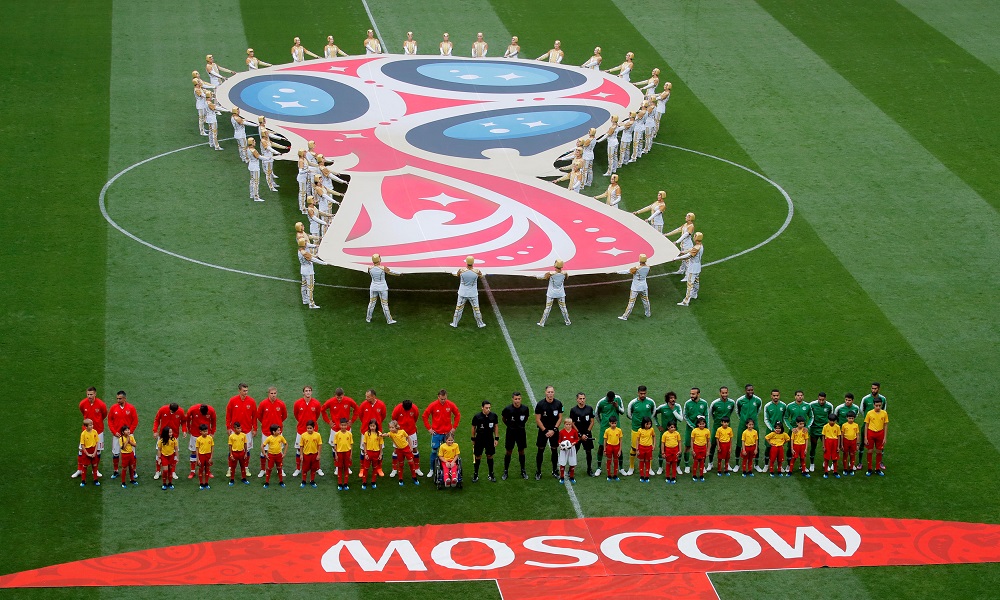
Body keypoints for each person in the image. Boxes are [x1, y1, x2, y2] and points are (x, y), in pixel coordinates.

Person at [423, 389, 461, 477]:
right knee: (434, 451)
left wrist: (454, 427)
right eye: (442, 399)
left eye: (445, 399)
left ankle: (449, 468)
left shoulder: (450, 404)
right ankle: (432, 469)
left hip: (447, 433)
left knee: (449, 451)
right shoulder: (433, 405)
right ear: (438, 397)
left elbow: (457, 414)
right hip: (436, 433)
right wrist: (429, 429)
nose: (443, 401)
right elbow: (425, 416)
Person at [322, 388, 358, 474]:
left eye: (340, 397)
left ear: (343, 395)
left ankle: (347, 466)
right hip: (335, 429)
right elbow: (322, 410)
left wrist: (352, 421)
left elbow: (357, 409)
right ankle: (337, 467)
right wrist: (329, 422)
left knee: (347, 448)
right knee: (335, 448)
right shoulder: (330, 401)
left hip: (347, 429)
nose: (339, 399)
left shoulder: (349, 401)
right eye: (337, 397)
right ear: (335, 395)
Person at [255, 387, 287, 478]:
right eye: (272, 393)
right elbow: (259, 416)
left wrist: (278, 426)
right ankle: (262, 469)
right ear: (268, 394)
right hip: (266, 432)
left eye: (275, 393)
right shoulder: (263, 404)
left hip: (278, 433)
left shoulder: (281, 404)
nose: (273, 395)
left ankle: (280, 469)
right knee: (264, 450)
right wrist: (265, 423)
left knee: (279, 451)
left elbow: (284, 416)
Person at [625, 386, 656, 476]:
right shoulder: (633, 403)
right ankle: (631, 467)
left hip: (648, 429)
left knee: (649, 448)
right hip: (636, 428)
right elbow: (629, 414)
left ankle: (649, 468)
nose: (643, 395)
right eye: (641, 393)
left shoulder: (650, 402)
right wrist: (637, 421)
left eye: (644, 393)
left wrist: (647, 423)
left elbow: (653, 412)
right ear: (638, 393)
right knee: (634, 448)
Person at [534, 386, 564, 480]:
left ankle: (555, 470)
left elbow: (560, 418)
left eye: (552, 392)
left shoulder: (558, 403)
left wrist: (554, 429)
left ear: (554, 393)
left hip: (554, 431)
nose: (550, 394)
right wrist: (546, 431)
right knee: (540, 450)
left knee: (554, 449)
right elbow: (538, 419)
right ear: (545, 393)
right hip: (543, 431)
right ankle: (538, 471)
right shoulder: (540, 404)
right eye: (548, 392)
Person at [107, 390, 139, 480]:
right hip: (117, 436)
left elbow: (135, 421)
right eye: (117, 398)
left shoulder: (131, 408)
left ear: (125, 398)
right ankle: (116, 471)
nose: (118, 400)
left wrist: (130, 432)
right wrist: (114, 432)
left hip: (129, 436)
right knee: (116, 453)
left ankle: (134, 471)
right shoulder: (113, 408)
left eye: (120, 398)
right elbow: (110, 421)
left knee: (132, 453)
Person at [292, 386, 323, 477]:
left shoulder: (316, 403)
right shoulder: (297, 403)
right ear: (303, 393)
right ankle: (298, 468)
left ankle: (318, 468)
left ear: (311, 392)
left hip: (313, 431)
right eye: (306, 391)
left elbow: (317, 415)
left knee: (315, 450)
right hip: (301, 430)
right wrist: (302, 422)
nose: (308, 392)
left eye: (309, 391)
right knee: (299, 449)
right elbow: (296, 414)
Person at [501, 391, 530, 480]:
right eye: (516, 399)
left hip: (521, 432)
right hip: (511, 432)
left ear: (521, 399)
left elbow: (526, 418)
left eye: (519, 399)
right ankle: (505, 471)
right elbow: (504, 418)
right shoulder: (508, 409)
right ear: (512, 399)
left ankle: (523, 470)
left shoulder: (525, 409)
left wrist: (520, 425)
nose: (517, 401)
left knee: (521, 451)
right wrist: (510, 426)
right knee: (509, 451)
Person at [594, 391, 624, 476]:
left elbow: (622, 412)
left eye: (612, 399)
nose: (611, 401)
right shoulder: (601, 402)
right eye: (610, 400)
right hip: (605, 428)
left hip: (616, 428)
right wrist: (602, 423)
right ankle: (599, 468)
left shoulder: (618, 399)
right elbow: (596, 413)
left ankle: (621, 468)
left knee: (618, 447)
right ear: (607, 397)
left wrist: (617, 406)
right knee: (601, 446)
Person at [226, 384, 257, 468]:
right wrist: (228, 427)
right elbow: (228, 414)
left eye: (246, 390)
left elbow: (254, 416)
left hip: (247, 430)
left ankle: (246, 468)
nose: (245, 392)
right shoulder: (232, 400)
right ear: (239, 391)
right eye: (244, 391)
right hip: (234, 430)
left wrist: (255, 428)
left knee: (247, 450)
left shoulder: (251, 401)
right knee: (232, 449)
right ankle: (230, 468)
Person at [450, 256, 486, 328]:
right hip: (473, 293)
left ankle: (454, 323)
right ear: (473, 262)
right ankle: (480, 324)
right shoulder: (477, 271)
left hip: (462, 292)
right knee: (476, 309)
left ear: (466, 262)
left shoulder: (461, 270)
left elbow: (456, 275)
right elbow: (481, 276)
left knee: (458, 309)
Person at [390, 400, 423, 478]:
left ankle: (417, 468)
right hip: (399, 434)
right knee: (396, 449)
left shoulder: (414, 408)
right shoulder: (397, 409)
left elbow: (416, 417)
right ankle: (394, 469)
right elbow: (394, 420)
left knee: (414, 449)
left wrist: (412, 425)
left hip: (411, 432)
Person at [381, 420, 420, 485]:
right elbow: (386, 434)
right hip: (399, 450)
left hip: (406, 449)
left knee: (411, 463)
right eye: (390, 428)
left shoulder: (402, 432)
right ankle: (400, 479)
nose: (391, 429)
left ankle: (414, 477)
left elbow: (408, 438)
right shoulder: (391, 434)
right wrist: (381, 435)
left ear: (396, 427)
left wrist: (410, 447)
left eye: (392, 427)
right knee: (401, 464)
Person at [733, 384, 761, 472]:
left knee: (756, 443)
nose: (750, 392)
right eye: (748, 390)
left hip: (754, 425)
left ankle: (756, 464)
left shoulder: (758, 400)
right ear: (745, 391)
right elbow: (737, 411)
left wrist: (752, 422)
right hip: (742, 425)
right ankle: (737, 464)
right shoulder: (740, 400)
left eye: (752, 390)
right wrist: (743, 419)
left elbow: (758, 411)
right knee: (739, 444)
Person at [860, 382, 888, 470]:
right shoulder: (865, 399)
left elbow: (884, 411)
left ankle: (880, 463)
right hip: (867, 424)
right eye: (872, 388)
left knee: (880, 447)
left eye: (875, 388)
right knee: (863, 443)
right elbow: (861, 410)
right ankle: (860, 462)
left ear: (878, 389)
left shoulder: (883, 399)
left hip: (879, 426)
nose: (873, 390)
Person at [653, 392, 683, 475]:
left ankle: (677, 466)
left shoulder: (677, 406)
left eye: (674, 398)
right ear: (667, 399)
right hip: (664, 433)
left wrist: (673, 410)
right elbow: (654, 414)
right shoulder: (662, 407)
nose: (673, 399)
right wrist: (658, 425)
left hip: (675, 433)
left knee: (677, 449)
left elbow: (680, 419)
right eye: (671, 398)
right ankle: (660, 467)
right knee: (661, 449)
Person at [707, 386, 735, 472]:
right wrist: (716, 420)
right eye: (723, 393)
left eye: (726, 393)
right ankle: (710, 463)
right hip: (716, 427)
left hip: (727, 428)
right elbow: (710, 413)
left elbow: (732, 411)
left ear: (728, 392)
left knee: (727, 445)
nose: (724, 394)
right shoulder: (715, 403)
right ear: (720, 393)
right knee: (713, 445)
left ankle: (727, 464)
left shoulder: (732, 403)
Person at [470, 401, 499, 482]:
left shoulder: (493, 416)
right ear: (482, 407)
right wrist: (473, 438)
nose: (488, 409)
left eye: (489, 408)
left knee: (490, 455)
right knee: (478, 456)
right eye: (486, 408)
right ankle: (476, 474)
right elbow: (473, 427)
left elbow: (496, 426)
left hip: (489, 438)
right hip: (479, 438)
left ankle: (491, 474)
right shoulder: (477, 417)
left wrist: (496, 438)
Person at [186, 403, 216, 480]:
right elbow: (187, 419)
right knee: (193, 452)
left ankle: (207, 471)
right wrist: (188, 428)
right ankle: (192, 471)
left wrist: (212, 432)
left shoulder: (211, 410)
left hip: (206, 435)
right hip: (195, 434)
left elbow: (214, 421)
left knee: (207, 453)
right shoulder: (192, 409)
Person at [536, 259, 570, 326]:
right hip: (560, 293)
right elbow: (567, 278)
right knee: (563, 308)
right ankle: (568, 321)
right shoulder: (565, 273)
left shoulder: (550, 274)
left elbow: (543, 277)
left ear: (555, 265)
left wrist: (535, 276)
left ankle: (542, 323)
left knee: (548, 308)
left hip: (551, 294)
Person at [568, 393, 595, 476]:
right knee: (574, 452)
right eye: (580, 398)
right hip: (577, 435)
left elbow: (592, 422)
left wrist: (586, 433)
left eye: (583, 398)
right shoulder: (573, 410)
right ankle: (570, 469)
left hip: (587, 434)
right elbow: (572, 423)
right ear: (577, 399)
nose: (582, 400)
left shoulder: (589, 408)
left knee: (588, 452)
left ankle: (589, 469)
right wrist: (579, 434)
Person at [367, 253, 399, 324]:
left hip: (373, 287)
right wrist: (400, 273)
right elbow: (391, 272)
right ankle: (389, 320)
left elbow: (370, 273)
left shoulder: (369, 268)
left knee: (371, 303)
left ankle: (368, 318)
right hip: (382, 288)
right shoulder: (383, 268)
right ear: (379, 260)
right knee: (384, 304)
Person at [682, 388, 708, 474]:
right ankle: (686, 465)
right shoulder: (688, 403)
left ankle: (702, 466)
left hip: (702, 430)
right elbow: (685, 416)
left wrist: (706, 427)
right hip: (690, 429)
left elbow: (706, 415)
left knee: (703, 447)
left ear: (698, 394)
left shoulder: (704, 403)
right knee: (688, 447)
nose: (691, 396)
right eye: (691, 394)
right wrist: (693, 426)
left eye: (693, 394)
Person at [617, 254, 651, 320]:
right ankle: (648, 313)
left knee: (631, 302)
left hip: (635, 287)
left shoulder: (636, 268)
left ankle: (625, 316)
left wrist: (617, 271)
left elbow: (627, 271)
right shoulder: (648, 267)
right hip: (644, 286)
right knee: (646, 300)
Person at [784, 390, 813, 467]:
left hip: (804, 430)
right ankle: (788, 464)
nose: (799, 397)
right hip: (793, 430)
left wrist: (807, 427)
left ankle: (802, 465)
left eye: (801, 395)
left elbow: (811, 417)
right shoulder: (790, 406)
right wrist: (791, 428)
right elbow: (786, 418)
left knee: (803, 447)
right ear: (795, 396)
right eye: (798, 395)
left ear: (803, 396)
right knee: (790, 447)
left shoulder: (807, 406)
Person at [760, 389, 786, 472]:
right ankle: (766, 465)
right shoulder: (767, 406)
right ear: (771, 396)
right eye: (774, 395)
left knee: (779, 448)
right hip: (770, 431)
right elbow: (766, 419)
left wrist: (780, 429)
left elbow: (785, 418)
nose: (775, 397)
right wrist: (772, 429)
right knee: (768, 448)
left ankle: (780, 466)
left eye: (777, 395)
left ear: (779, 396)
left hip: (780, 432)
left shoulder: (783, 405)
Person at [809, 392, 834, 473]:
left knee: (826, 447)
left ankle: (825, 463)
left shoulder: (829, 406)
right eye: (820, 400)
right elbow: (809, 414)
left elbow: (831, 417)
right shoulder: (812, 405)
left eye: (823, 400)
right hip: (814, 429)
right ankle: (812, 464)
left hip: (824, 430)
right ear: (817, 398)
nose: (821, 401)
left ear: (825, 399)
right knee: (813, 447)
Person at [676, 232, 704, 306]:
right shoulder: (700, 246)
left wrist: (677, 258)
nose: (693, 237)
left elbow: (688, 256)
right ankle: (694, 294)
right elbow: (690, 250)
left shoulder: (696, 247)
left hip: (693, 268)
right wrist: (682, 252)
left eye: (694, 236)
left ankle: (686, 301)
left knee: (690, 284)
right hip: (698, 266)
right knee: (696, 281)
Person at [299, 238, 327, 309]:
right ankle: (311, 304)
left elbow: (309, 245)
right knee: (310, 287)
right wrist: (324, 263)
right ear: (303, 244)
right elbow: (313, 259)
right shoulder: (304, 253)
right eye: (305, 243)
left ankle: (305, 300)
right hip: (309, 271)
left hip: (303, 270)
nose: (306, 243)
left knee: (303, 285)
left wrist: (315, 246)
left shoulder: (300, 250)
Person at [864, 399, 888, 477]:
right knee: (870, 451)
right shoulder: (869, 413)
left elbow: (885, 425)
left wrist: (885, 437)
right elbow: (866, 425)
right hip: (871, 433)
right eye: (876, 405)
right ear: (873, 405)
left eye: (879, 406)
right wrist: (865, 437)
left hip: (880, 434)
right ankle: (869, 469)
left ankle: (877, 469)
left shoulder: (884, 413)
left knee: (879, 451)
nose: (878, 407)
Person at [262, 424, 287, 488]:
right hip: (271, 456)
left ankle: (281, 481)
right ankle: (267, 482)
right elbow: (262, 446)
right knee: (269, 469)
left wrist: (284, 453)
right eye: (278, 430)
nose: (280, 431)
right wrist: (265, 454)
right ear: (273, 432)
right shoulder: (269, 438)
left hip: (279, 455)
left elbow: (286, 444)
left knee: (279, 468)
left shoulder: (281, 437)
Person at [299, 420, 322, 488]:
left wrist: (319, 454)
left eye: (310, 428)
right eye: (308, 428)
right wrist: (301, 455)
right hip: (306, 455)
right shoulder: (303, 435)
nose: (309, 430)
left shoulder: (317, 435)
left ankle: (312, 480)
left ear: (314, 428)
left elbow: (320, 445)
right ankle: (303, 481)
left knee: (314, 468)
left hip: (314, 454)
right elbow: (301, 446)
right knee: (305, 469)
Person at [332, 418, 354, 491]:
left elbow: (351, 445)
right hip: (339, 453)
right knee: (340, 468)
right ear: (339, 425)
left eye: (345, 425)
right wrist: (336, 454)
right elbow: (335, 445)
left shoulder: (349, 434)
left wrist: (351, 454)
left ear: (347, 425)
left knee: (346, 468)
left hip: (347, 453)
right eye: (342, 425)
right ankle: (340, 483)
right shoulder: (337, 434)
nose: (343, 427)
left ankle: (345, 483)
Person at [78, 419, 101, 486]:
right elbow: (82, 445)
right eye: (90, 425)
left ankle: (95, 480)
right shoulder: (83, 434)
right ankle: (83, 480)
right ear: (86, 426)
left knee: (94, 465)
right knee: (85, 466)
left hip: (93, 450)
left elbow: (97, 443)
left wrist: (94, 452)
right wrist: (87, 453)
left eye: (92, 425)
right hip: (86, 451)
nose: (92, 426)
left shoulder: (95, 432)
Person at [557, 417, 580, 484]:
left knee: (572, 463)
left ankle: (572, 477)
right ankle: (561, 477)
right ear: (564, 424)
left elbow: (576, 439)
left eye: (569, 424)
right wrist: (560, 444)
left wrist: (573, 443)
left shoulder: (574, 431)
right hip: (563, 450)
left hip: (571, 449)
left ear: (571, 425)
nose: (568, 426)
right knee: (562, 463)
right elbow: (559, 440)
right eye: (567, 424)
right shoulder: (561, 432)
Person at [228, 421, 250, 486]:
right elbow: (230, 446)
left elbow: (245, 444)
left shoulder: (243, 435)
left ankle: (244, 478)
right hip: (234, 453)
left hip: (241, 453)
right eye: (238, 428)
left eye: (240, 428)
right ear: (234, 429)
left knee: (243, 466)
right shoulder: (231, 436)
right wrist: (231, 454)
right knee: (233, 467)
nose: (239, 429)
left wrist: (246, 453)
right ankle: (232, 479)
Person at [635, 417, 656, 483]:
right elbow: (637, 440)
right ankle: (641, 475)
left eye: (650, 424)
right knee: (641, 461)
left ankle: (647, 476)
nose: (648, 425)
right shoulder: (640, 430)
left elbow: (654, 436)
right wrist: (637, 449)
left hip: (649, 448)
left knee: (647, 461)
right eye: (647, 424)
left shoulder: (651, 430)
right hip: (641, 447)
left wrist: (654, 445)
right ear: (643, 424)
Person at [690, 417, 710, 482]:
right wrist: (692, 450)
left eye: (703, 424)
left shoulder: (707, 431)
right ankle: (694, 475)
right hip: (696, 447)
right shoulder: (694, 430)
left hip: (703, 448)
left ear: (705, 424)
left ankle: (701, 475)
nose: (702, 425)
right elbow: (692, 441)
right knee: (695, 462)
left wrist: (708, 451)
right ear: (698, 424)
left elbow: (708, 441)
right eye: (700, 424)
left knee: (702, 462)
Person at [821, 414, 841, 479]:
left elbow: (838, 436)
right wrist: (823, 446)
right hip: (828, 442)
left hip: (835, 442)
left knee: (835, 458)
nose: (832, 422)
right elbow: (823, 436)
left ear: (835, 421)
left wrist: (838, 446)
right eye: (830, 421)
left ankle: (835, 471)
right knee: (826, 458)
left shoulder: (837, 427)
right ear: (828, 420)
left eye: (833, 421)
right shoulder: (825, 427)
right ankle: (826, 472)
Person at [603, 416, 623, 481]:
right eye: (612, 423)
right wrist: (604, 450)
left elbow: (620, 441)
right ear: (609, 423)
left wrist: (620, 450)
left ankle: (615, 475)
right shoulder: (607, 430)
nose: (613, 425)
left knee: (616, 461)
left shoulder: (619, 430)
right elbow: (605, 441)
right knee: (609, 461)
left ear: (616, 423)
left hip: (616, 447)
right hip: (609, 447)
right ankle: (609, 475)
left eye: (615, 423)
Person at [195, 423, 214, 490]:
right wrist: (198, 459)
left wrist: (211, 457)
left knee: (207, 469)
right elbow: (197, 450)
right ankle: (201, 483)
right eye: (204, 431)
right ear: (200, 432)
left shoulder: (210, 438)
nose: (206, 432)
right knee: (201, 469)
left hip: (208, 455)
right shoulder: (198, 439)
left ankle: (206, 483)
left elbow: (212, 448)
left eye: (206, 431)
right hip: (201, 456)